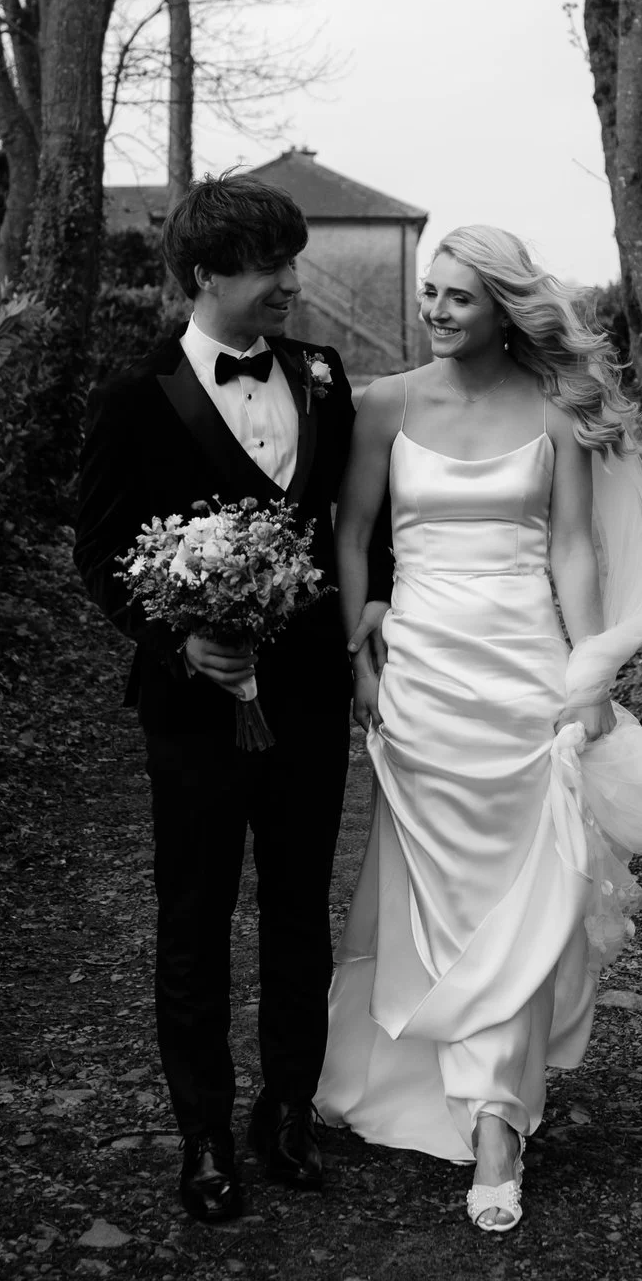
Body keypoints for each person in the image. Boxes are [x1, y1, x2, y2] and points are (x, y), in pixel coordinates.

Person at [316, 223, 642, 1234]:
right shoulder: (386, 403)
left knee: (524, 896)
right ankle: (438, 1086)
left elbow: (571, 549)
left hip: (524, 674)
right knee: (441, 894)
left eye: (458, 296)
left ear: (503, 310)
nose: (435, 308)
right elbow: (353, 536)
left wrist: (588, 671)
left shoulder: (553, 411)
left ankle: (495, 1125)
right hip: (423, 680)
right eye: (430, 290)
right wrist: (358, 657)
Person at [72, 173, 389, 1225]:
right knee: (195, 917)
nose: (291, 284)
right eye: (270, 267)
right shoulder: (136, 393)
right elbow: (99, 548)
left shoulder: (325, 376)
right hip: (194, 711)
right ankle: (203, 1132)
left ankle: (287, 1108)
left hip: (307, 701)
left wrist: (373, 610)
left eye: (293, 262)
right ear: (207, 274)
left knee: (300, 909)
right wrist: (178, 637)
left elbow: (363, 521)